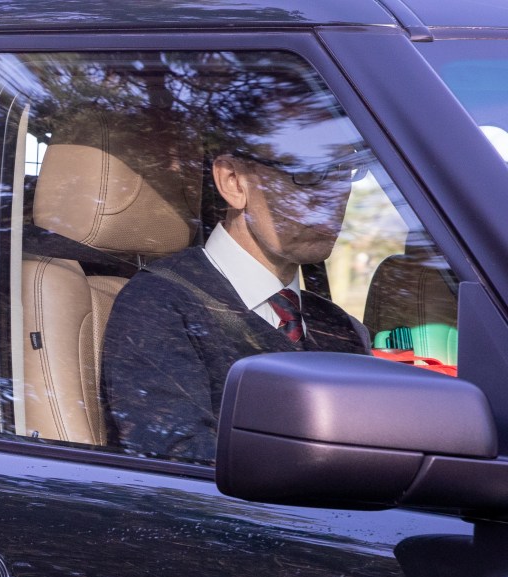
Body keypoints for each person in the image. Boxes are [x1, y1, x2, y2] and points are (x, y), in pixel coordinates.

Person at [101, 118, 370, 463]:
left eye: (344, 170)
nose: (332, 197)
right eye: (309, 172)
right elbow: (180, 466)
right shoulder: (159, 305)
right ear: (233, 182)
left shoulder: (339, 327)